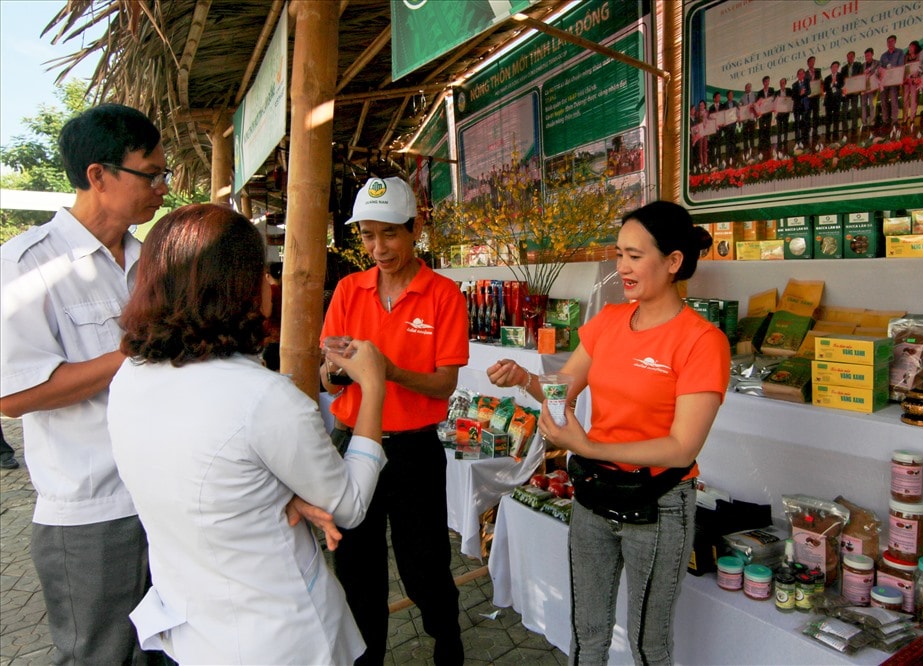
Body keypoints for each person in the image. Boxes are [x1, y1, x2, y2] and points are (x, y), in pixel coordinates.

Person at [106, 204, 387, 664]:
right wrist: (373, 386)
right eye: (263, 271)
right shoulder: (263, 397)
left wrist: (271, 493)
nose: (270, 284)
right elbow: (349, 506)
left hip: (197, 630)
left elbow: (204, 472)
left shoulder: (130, 378)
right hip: (281, 636)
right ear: (238, 287)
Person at [487, 201, 730, 664]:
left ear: (673, 261)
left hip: (658, 506)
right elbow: (561, 390)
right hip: (594, 496)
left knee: (649, 646)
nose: (622, 267)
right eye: (620, 254)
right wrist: (524, 378)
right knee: (588, 633)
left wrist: (588, 444)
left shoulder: (702, 341)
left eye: (635, 256)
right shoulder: (610, 322)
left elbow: (682, 448)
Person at [0, 103, 167, 665]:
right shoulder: (28, 265)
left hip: (164, 496)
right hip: (92, 512)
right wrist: (133, 354)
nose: (162, 188)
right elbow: (14, 394)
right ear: (99, 176)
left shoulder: (153, 265)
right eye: (151, 174)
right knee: (102, 656)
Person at [321, 176, 469, 665]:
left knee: (424, 566)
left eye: (389, 234)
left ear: (415, 229)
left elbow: (444, 384)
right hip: (351, 445)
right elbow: (327, 377)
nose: (378, 248)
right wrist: (338, 374)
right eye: (367, 235)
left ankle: (448, 643)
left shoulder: (443, 294)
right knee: (358, 572)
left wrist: (388, 371)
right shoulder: (347, 289)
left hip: (413, 451)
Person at [880, 35, 906, 131]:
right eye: (888, 42)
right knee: (883, 100)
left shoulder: (900, 52)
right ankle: (885, 120)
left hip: (894, 80)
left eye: (891, 41)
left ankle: (894, 120)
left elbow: (900, 66)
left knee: (894, 100)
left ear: (895, 42)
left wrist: (892, 72)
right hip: (885, 82)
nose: (890, 43)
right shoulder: (883, 56)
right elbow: (881, 68)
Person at [262, 261, 283, 371]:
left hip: (273, 338)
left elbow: (267, 312)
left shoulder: (272, 290)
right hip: (282, 335)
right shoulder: (285, 290)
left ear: (267, 275)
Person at [843, 50, 865, 137]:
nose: (850, 58)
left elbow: (860, 77)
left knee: (854, 110)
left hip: (855, 91)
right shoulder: (843, 68)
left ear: (854, 57)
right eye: (848, 56)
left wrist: (859, 89)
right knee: (844, 110)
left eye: (851, 56)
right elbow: (842, 81)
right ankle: (845, 129)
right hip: (847, 92)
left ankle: (854, 128)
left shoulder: (858, 65)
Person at [823, 60, 845, 142]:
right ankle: (827, 134)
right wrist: (831, 84)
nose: (834, 68)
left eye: (836, 67)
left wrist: (835, 82)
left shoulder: (840, 76)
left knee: (836, 117)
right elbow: (825, 89)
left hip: (837, 100)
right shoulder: (827, 78)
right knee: (828, 119)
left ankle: (835, 134)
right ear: (831, 68)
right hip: (828, 101)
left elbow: (841, 85)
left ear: (838, 68)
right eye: (833, 67)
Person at [902, 41, 922, 129]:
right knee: (905, 99)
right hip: (906, 81)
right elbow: (903, 69)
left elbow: (921, 68)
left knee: (914, 99)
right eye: (909, 47)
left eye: (912, 47)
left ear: (916, 48)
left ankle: (912, 117)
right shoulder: (905, 57)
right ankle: (905, 118)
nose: (910, 49)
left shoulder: (919, 56)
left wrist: (917, 78)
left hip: (915, 80)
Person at [792, 68, 812, 149]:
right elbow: (793, 96)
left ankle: (805, 140)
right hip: (797, 107)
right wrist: (800, 94)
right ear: (797, 75)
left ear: (804, 74)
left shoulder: (807, 81)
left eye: (802, 73)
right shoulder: (794, 85)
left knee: (805, 123)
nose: (801, 75)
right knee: (797, 124)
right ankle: (797, 141)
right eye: (799, 74)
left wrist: (804, 93)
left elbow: (809, 91)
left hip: (805, 106)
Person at [861, 48, 880, 133]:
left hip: (873, 87)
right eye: (865, 56)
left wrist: (869, 71)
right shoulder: (863, 65)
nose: (866, 57)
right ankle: (864, 124)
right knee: (863, 105)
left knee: (872, 104)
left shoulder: (877, 63)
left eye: (868, 55)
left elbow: (878, 72)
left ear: (872, 54)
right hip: (864, 88)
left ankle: (872, 122)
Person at [805, 56, 822, 143]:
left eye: (813, 61)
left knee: (816, 115)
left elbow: (820, 82)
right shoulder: (805, 73)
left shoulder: (818, 71)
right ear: (808, 63)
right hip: (808, 98)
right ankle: (807, 133)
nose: (812, 63)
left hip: (816, 97)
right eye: (810, 62)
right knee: (807, 115)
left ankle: (815, 132)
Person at [757, 76, 775, 156]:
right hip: (762, 114)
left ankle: (768, 145)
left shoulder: (772, 90)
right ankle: (761, 146)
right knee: (761, 130)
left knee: (768, 129)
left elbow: (773, 100)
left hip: (769, 113)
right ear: (763, 83)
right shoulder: (760, 92)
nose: (767, 83)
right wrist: (759, 102)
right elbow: (757, 103)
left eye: (768, 81)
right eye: (766, 81)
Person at [775, 77, 792, 153]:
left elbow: (791, 100)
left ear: (785, 83)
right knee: (779, 129)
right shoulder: (777, 92)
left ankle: (785, 141)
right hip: (779, 114)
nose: (782, 84)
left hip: (785, 113)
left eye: (783, 83)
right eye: (780, 83)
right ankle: (779, 143)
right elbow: (775, 103)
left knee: (785, 128)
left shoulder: (789, 91)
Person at [739, 82, 757, 156]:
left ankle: (752, 149)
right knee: (745, 136)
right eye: (747, 87)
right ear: (745, 88)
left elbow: (756, 106)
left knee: (752, 136)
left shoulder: (754, 96)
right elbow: (740, 108)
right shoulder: (742, 98)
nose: (748, 88)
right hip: (745, 120)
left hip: (752, 118)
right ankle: (746, 150)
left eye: (750, 87)